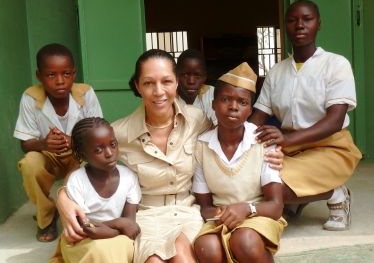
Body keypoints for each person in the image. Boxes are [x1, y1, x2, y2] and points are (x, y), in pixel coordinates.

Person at [55, 49, 284, 263]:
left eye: (166, 81)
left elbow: (230, 137)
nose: (158, 92)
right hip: (146, 215)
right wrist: (63, 197)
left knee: (182, 256)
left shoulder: (197, 120)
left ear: (176, 83)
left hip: (188, 210)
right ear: (137, 86)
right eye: (148, 83)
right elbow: (81, 166)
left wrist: (271, 146)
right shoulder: (119, 133)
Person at [249, 0, 362, 231]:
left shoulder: (336, 65)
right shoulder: (277, 71)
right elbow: (257, 117)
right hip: (288, 147)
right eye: (292, 20)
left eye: (307, 19)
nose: (300, 25)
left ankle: (336, 193)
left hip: (330, 146)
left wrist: (287, 139)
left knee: (276, 188)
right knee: (251, 180)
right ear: (286, 26)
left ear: (318, 24)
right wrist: (233, 145)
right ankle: (297, 199)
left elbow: (335, 120)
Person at [193, 62, 286, 263]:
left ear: (249, 110)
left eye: (242, 103)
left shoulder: (263, 142)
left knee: (244, 241)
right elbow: (205, 206)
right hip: (221, 218)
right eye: (225, 99)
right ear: (213, 104)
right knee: (206, 248)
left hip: (258, 215)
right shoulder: (201, 146)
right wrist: (222, 213)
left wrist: (246, 209)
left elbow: (276, 206)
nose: (233, 107)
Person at [14, 43, 103, 242]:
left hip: (77, 155)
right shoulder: (30, 97)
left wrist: (74, 141)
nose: (60, 81)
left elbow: (97, 134)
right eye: (51, 75)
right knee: (29, 163)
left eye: (66, 73)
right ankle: (46, 216)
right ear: (39, 76)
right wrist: (44, 144)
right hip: (48, 157)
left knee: (92, 164)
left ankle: (78, 213)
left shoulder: (86, 94)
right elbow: (25, 144)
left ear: (74, 73)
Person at [52, 117, 141, 263]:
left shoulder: (128, 177)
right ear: (82, 155)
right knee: (99, 251)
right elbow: (81, 227)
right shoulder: (77, 181)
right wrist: (118, 224)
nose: (109, 153)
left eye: (113, 145)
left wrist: (112, 230)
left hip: (118, 236)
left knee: (121, 248)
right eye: (98, 149)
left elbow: (130, 224)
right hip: (83, 240)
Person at [176, 49, 217, 125]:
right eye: (185, 75)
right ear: (176, 75)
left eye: (198, 75)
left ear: (204, 77)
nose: (191, 81)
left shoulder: (212, 94)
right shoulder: (169, 97)